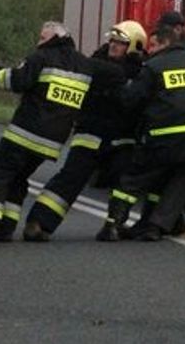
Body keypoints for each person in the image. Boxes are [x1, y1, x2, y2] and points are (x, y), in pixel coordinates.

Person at [0, 21, 94, 245]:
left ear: (54, 38)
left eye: (42, 38)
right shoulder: (84, 65)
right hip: (52, 142)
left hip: (25, 133)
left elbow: (15, 81)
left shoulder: (41, 58)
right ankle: (6, 229)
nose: (38, 42)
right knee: (18, 178)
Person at [95, 24, 185, 241]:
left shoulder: (155, 66)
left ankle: (112, 225)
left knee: (135, 178)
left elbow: (130, 100)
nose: (149, 50)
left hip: (167, 136)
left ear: (166, 44)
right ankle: (154, 226)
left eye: (153, 45)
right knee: (180, 177)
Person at [22, 21, 146, 241]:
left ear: (134, 46)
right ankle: (38, 222)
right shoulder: (95, 64)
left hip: (122, 138)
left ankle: (113, 225)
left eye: (121, 43)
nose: (114, 46)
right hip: (91, 132)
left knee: (126, 181)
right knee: (70, 178)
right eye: (113, 41)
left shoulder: (140, 72)